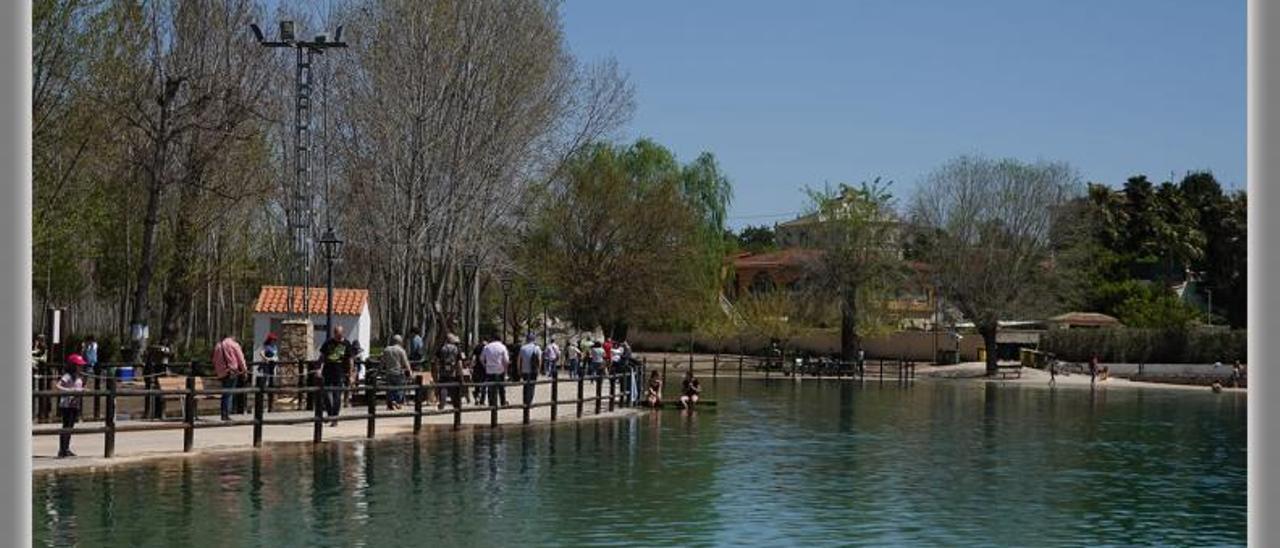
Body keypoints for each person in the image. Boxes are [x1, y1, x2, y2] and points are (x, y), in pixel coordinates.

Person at [318, 326, 355, 426]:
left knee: (337, 396)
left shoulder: (346, 344)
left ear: (343, 333)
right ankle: (330, 413)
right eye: (337, 334)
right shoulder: (328, 343)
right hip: (327, 372)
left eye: (340, 335)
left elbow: (350, 360)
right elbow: (322, 356)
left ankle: (335, 418)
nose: (339, 337)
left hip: (340, 373)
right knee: (325, 394)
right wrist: (319, 369)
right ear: (334, 333)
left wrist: (351, 374)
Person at [55, 354, 87, 458]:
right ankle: (62, 449)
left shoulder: (80, 376)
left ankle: (66, 448)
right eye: (78, 365)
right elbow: (57, 386)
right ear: (73, 365)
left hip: (75, 404)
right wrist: (69, 390)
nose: (81, 367)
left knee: (71, 427)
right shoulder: (67, 376)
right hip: (67, 404)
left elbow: (79, 387)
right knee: (66, 426)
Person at [212, 334, 248, 422]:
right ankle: (226, 414)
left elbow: (214, 360)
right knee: (229, 393)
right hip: (232, 371)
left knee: (225, 393)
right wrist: (244, 370)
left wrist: (218, 371)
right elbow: (241, 358)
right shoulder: (234, 345)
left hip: (222, 373)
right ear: (233, 338)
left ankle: (224, 412)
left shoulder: (218, 345)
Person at [380, 335, 412, 411]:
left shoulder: (386, 350)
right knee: (399, 388)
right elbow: (405, 362)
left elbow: (382, 361)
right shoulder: (401, 350)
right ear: (400, 342)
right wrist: (409, 371)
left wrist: (379, 370)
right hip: (398, 372)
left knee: (390, 389)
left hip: (389, 372)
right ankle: (397, 402)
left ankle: (391, 402)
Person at [481, 336, 511, 407]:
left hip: (489, 370)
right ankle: (502, 402)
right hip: (500, 370)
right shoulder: (502, 347)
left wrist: (485, 366)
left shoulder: (487, 347)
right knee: (501, 387)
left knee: (490, 388)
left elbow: (481, 358)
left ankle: (491, 402)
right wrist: (505, 370)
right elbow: (506, 360)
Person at [437, 333, 463, 410]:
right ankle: (455, 405)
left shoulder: (442, 348)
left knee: (443, 387)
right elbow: (459, 362)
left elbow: (436, 361)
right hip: (453, 371)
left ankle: (442, 404)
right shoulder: (456, 349)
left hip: (443, 371)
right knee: (453, 389)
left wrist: (436, 372)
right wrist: (460, 373)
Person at [255, 333, 281, 409]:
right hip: (267, 365)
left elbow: (276, 356)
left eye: (274, 340)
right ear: (269, 340)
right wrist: (266, 358)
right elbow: (261, 353)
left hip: (274, 365)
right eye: (272, 339)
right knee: (265, 380)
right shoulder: (266, 347)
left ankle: (271, 403)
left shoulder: (275, 347)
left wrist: (278, 364)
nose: (273, 341)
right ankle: (262, 399)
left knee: (272, 382)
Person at [518, 333, 542, 406]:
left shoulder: (523, 348)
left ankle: (525, 401)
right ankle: (530, 401)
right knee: (532, 386)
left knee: (525, 386)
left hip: (525, 370)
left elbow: (519, 360)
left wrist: (519, 369)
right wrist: (539, 369)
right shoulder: (537, 348)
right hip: (533, 370)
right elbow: (540, 360)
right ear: (534, 339)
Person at [472, 339, 489, 405]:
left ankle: (476, 398)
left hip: (477, 367)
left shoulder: (477, 347)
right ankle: (482, 400)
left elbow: (474, 357)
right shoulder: (487, 348)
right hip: (485, 368)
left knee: (477, 384)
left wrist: (472, 365)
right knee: (484, 384)